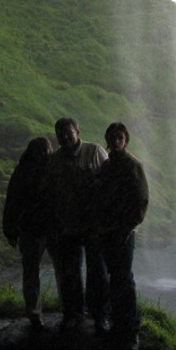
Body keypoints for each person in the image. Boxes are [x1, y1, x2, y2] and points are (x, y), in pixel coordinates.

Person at [44, 117, 110, 333]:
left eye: (68, 133)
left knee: (97, 272)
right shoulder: (53, 161)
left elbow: (110, 182)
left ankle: (100, 316)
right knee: (70, 272)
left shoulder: (95, 152)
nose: (65, 137)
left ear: (78, 132)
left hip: (94, 225)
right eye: (60, 134)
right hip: (67, 225)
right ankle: (73, 314)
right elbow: (49, 193)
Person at [96, 122, 149, 350]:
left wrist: (127, 228)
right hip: (107, 230)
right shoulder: (107, 167)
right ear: (107, 140)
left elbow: (141, 201)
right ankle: (118, 327)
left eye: (120, 137)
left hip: (123, 233)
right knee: (114, 278)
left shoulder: (132, 165)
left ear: (125, 140)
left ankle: (130, 332)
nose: (116, 141)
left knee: (124, 279)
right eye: (112, 137)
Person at [2, 137, 57, 331]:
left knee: (41, 272)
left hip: (47, 228)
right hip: (35, 229)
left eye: (46, 150)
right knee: (34, 272)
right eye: (40, 150)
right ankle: (35, 313)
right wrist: (10, 228)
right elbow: (13, 201)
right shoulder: (25, 172)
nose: (44, 154)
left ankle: (38, 312)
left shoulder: (50, 170)